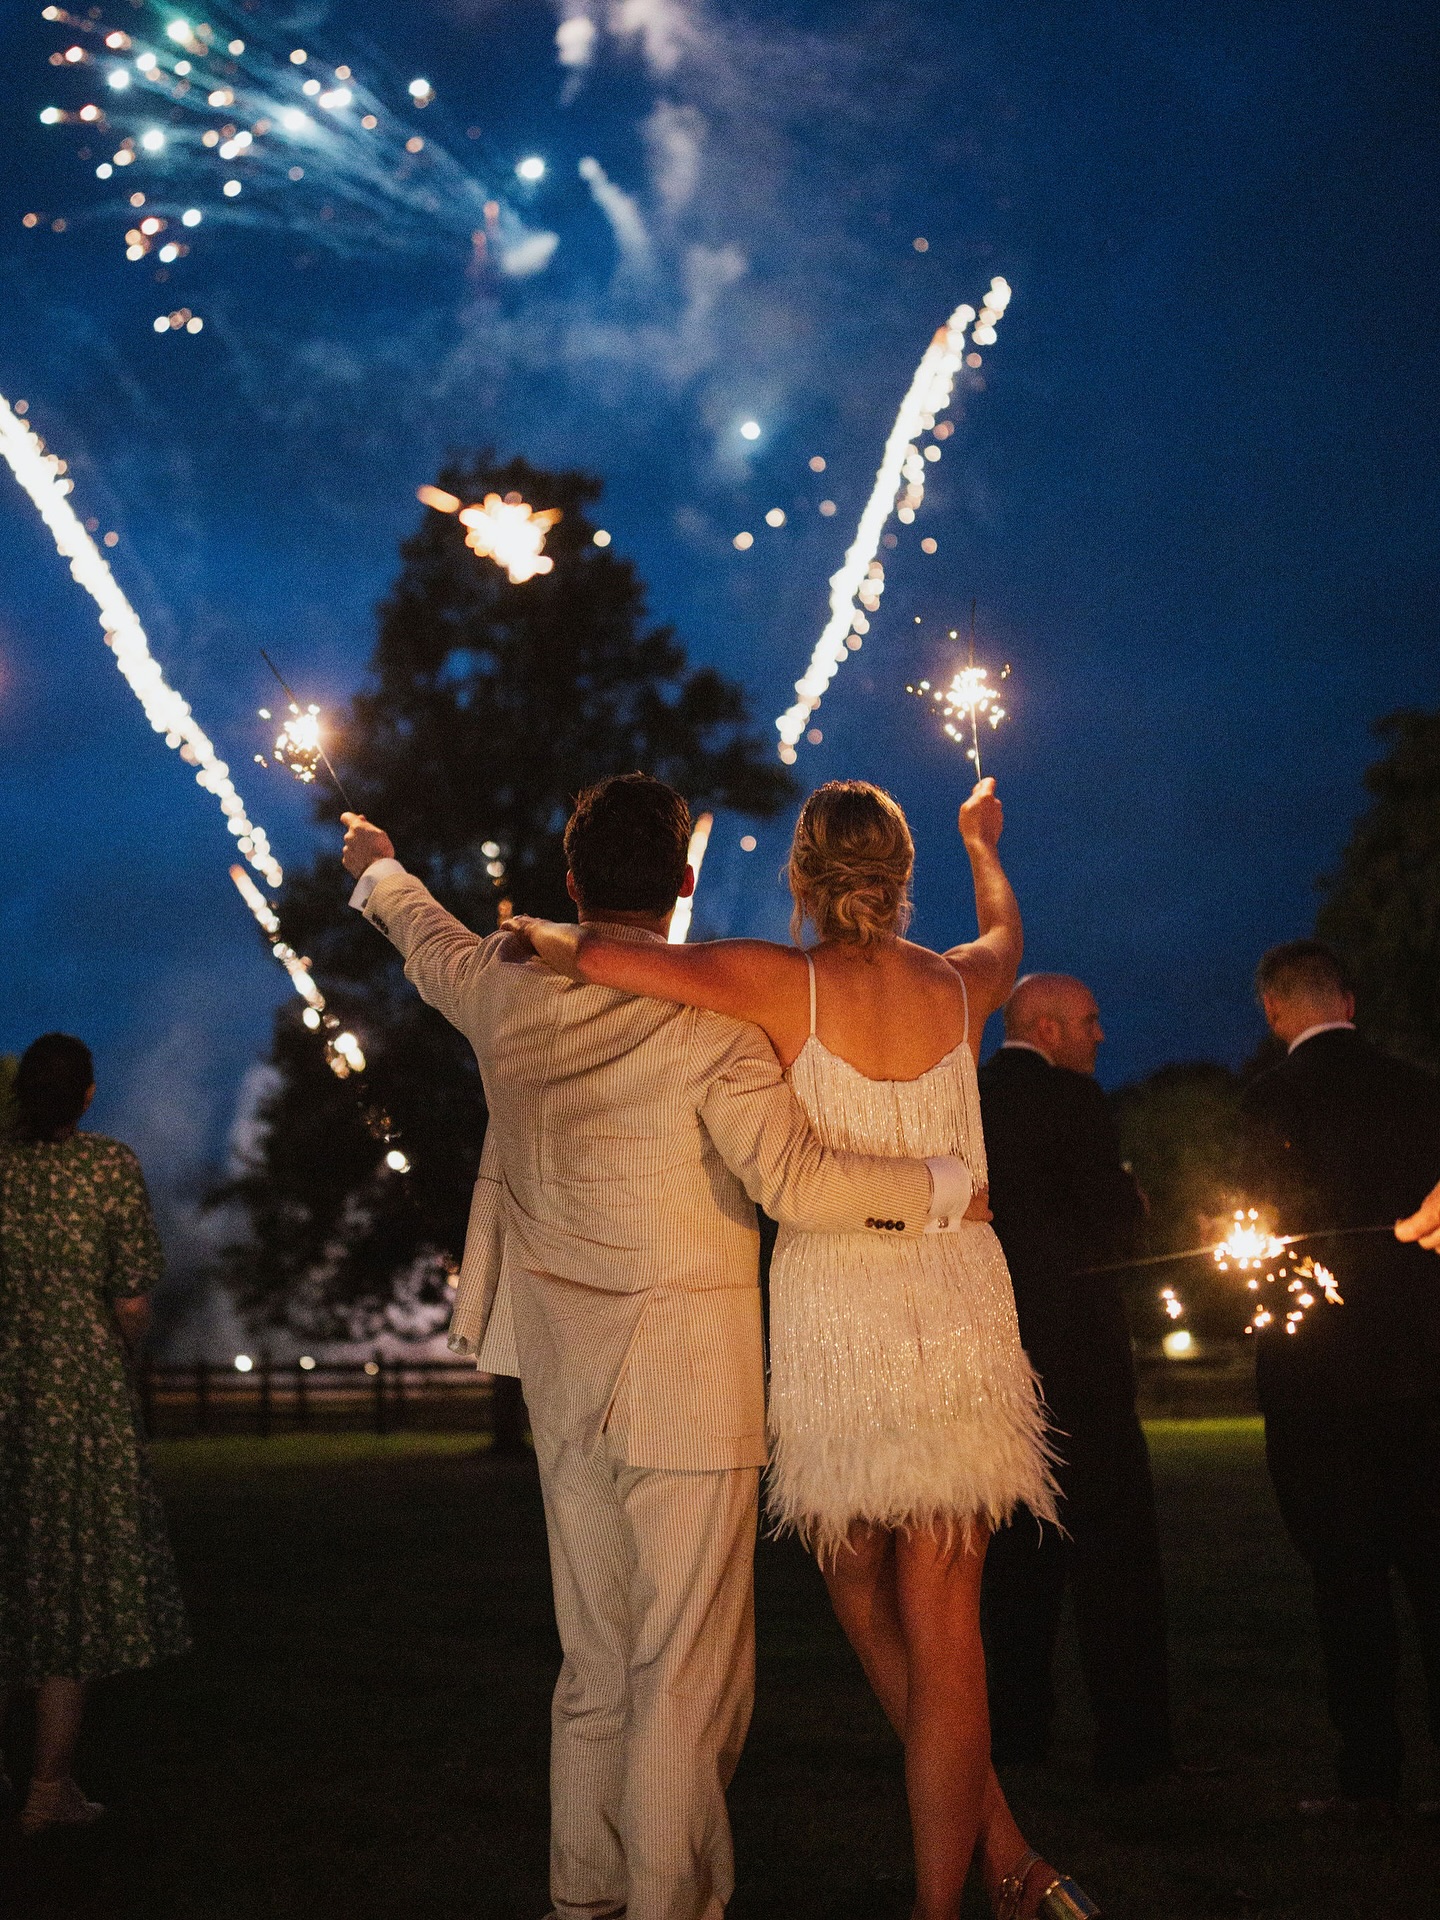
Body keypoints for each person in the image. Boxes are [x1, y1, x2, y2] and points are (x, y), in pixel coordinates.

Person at [342, 774, 969, 1920]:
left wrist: (378, 864)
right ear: (682, 881)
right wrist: (943, 1185)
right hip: (691, 1375)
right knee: (681, 1674)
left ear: (573, 881)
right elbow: (795, 1180)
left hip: (563, 1375)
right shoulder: (715, 1011)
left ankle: (583, 1899)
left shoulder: (500, 983)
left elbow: (421, 931)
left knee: (595, 1662)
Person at [510, 778, 1101, 1920]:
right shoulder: (961, 984)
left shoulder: (770, 979)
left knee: (862, 1590)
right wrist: (987, 845)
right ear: (900, 874)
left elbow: (604, 957)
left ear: (804, 877)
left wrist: (526, 931)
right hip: (957, 1300)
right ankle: (992, 1869)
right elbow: (1007, 936)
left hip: (840, 1314)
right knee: (944, 1626)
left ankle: (1000, 1867)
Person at [1243, 939, 1440, 1816]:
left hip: (1316, 1381)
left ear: (1274, 1009)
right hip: (1426, 1369)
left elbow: (1255, 1237)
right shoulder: (1419, 1089)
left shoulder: (1266, 1104)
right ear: (1349, 1000)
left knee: (1346, 1581)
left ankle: (1370, 1777)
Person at [976, 976, 1172, 1786]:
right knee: (1114, 1556)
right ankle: (1131, 1742)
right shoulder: (1074, 1102)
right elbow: (1110, 1227)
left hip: (992, 1360)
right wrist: (1132, 1198)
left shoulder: (966, 1098)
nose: (1099, 1036)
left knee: (1012, 1562)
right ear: (1048, 1029)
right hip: (1080, 1362)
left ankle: (1016, 1732)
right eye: (1089, 1022)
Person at [0, 1033, 189, 1836]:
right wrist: (125, 1344)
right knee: (68, 1585)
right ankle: (49, 1790)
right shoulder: (108, 1168)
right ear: (86, 1095)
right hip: (78, 1402)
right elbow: (132, 1300)